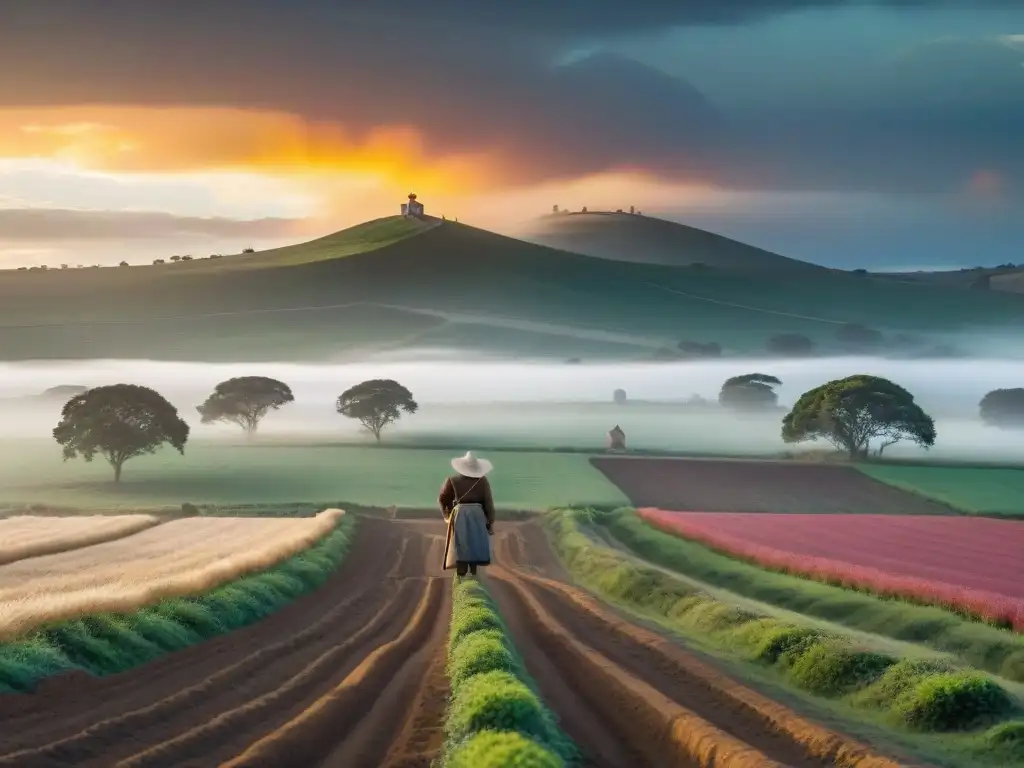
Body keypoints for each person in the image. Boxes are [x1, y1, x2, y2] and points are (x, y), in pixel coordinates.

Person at [439, 451, 495, 577]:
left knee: (461, 543)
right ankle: (473, 573)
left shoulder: (452, 480)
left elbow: (442, 498)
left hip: (460, 513)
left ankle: (461, 573)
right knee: (474, 541)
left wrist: (447, 515)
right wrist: (489, 521)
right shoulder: (482, 481)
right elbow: (488, 502)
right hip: (478, 513)